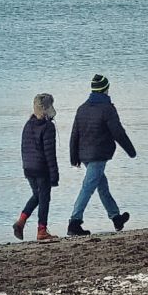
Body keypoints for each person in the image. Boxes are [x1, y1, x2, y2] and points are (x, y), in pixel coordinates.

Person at [68, 73, 137, 236]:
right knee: (88, 187)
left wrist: (74, 156)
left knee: (101, 185)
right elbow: (118, 132)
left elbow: (74, 134)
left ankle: (116, 217)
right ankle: (74, 222)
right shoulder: (108, 109)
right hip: (98, 154)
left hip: (84, 155)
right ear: (105, 89)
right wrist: (131, 151)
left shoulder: (82, 108)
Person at [13, 92, 60, 242]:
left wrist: (25, 167)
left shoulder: (28, 124)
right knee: (44, 198)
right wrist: (54, 176)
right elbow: (50, 153)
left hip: (28, 168)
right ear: (48, 109)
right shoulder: (48, 127)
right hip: (41, 168)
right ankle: (42, 230)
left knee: (37, 196)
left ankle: (21, 221)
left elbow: (23, 148)